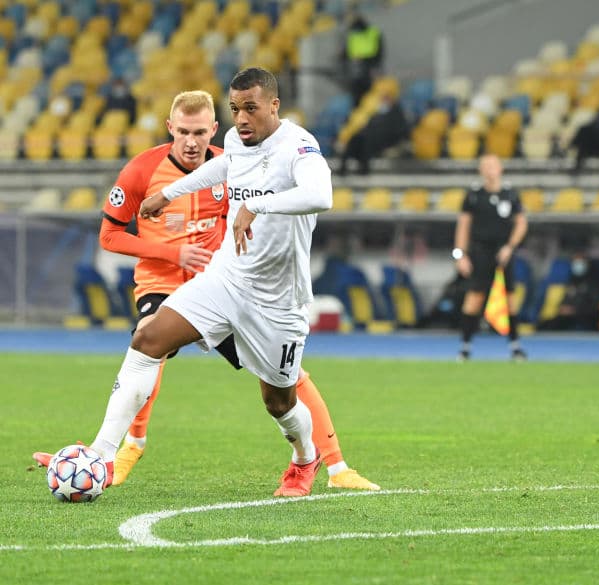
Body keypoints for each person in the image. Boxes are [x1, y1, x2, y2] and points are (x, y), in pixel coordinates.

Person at [35, 89, 378, 491]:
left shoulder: (278, 150)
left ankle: (324, 463)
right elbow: (110, 234)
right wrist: (170, 227)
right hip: (197, 282)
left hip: (266, 295)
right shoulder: (149, 167)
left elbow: (314, 194)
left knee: (281, 395)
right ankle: (112, 451)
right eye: (183, 131)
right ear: (170, 128)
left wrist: (256, 207)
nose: (191, 141)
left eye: (200, 132)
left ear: (214, 129)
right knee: (148, 339)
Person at [453, 154, 528, 361]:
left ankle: (515, 346)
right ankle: (465, 347)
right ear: (480, 170)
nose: (489, 170)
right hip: (480, 251)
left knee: (510, 298)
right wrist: (460, 255)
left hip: (503, 251)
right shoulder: (473, 196)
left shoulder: (511, 194)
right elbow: (463, 226)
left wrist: (510, 247)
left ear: (500, 168)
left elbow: (521, 223)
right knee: (474, 297)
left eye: (493, 165)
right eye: (485, 166)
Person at [339, 92, 408, 175]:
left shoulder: (396, 114)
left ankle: (364, 168)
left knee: (366, 141)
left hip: (384, 139)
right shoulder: (377, 113)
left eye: (387, 99)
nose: (384, 102)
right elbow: (369, 125)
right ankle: (343, 167)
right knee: (356, 138)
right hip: (370, 136)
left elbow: (399, 130)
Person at [538, 252, 599, 331]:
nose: (578, 265)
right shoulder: (570, 282)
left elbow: (595, 308)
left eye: (581, 262)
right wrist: (562, 308)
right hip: (566, 321)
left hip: (585, 322)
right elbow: (563, 301)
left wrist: (575, 311)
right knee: (546, 325)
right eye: (576, 262)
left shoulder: (593, 284)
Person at [341, 10, 384, 108]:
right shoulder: (352, 35)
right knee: (356, 92)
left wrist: (366, 61)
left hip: (370, 67)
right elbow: (348, 51)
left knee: (371, 92)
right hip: (356, 68)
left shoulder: (374, 33)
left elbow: (379, 53)